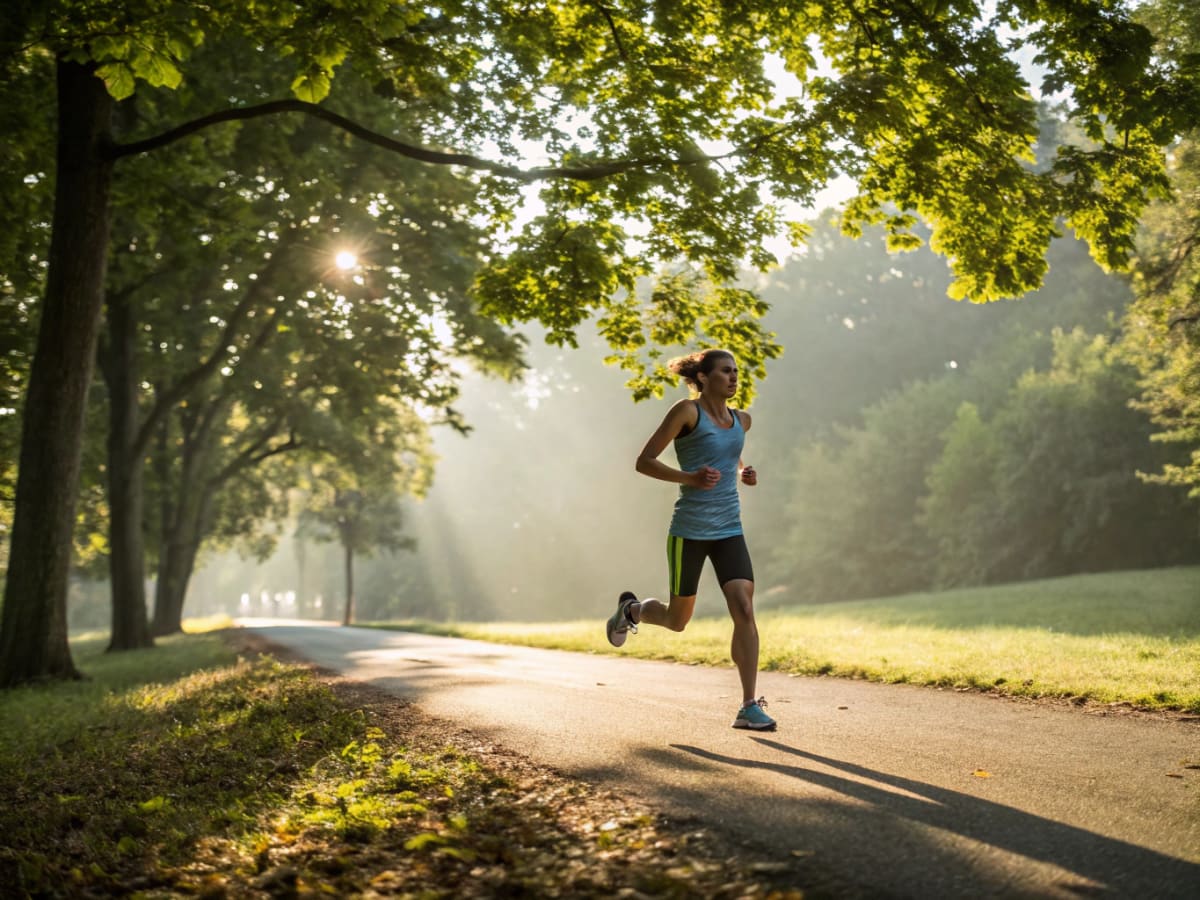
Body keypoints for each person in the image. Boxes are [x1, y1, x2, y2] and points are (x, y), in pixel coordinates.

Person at [606, 348, 776, 731]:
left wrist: (745, 471)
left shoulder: (741, 420)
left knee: (744, 609)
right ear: (703, 378)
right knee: (677, 620)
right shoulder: (686, 412)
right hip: (690, 532)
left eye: (736, 371)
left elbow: (729, 454)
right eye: (724, 372)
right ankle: (631, 610)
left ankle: (748, 705)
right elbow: (644, 461)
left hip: (730, 529)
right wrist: (690, 479)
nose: (733, 378)